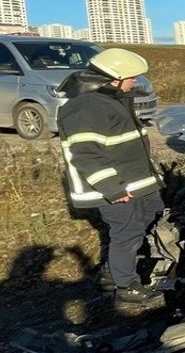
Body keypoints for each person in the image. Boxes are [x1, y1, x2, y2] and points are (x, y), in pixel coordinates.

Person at [56, 48, 166, 306]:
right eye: (132, 77)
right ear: (114, 78)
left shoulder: (110, 100)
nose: (135, 82)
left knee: (148, 216)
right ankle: (126, 286)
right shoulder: (86, 106)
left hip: (135, 181)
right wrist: (113, 188)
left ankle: (111, 271)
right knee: (126, 233)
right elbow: (85, 154)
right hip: (115, 187)